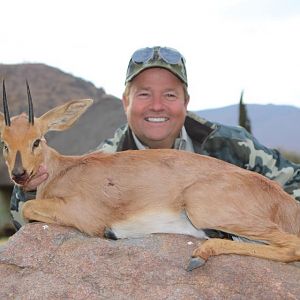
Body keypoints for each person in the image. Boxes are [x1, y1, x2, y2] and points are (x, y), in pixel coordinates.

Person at [10, 46, 300, 231]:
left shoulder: (232, 145)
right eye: (144, 94)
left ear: (186, 101)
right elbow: (27, 218)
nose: (157, 106)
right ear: (125, 102)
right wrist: (29, 189)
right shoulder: (107, 159)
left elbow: (293, 184)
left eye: (170, 95)